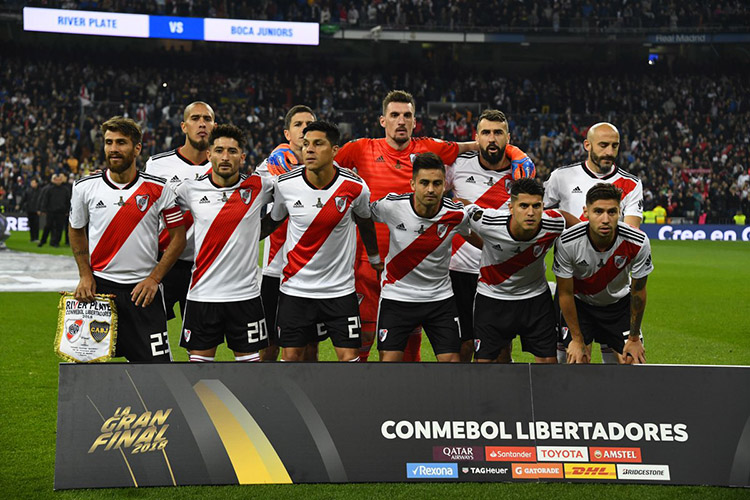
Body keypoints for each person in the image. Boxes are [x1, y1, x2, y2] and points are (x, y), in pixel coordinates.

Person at [335, 90, 478, 361]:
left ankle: (409, 387)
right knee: (364, 335)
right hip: (368, 261)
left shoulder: (429, 148)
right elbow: (321, 166)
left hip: (413, 267)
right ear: (382, 120)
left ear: (415, 121)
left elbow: (473, 146)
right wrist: (283, 152)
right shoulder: (361, 148)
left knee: (410, 339)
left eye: (407, 115)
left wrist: (513, 151)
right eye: (394, 115)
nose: (401, 121)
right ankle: (361, 385)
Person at [69, 116, 186, 362]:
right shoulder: (84, 187)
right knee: (89, 370)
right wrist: (85, 275)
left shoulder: (159, 188)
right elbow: (76, 229)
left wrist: (154, 278)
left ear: (137, 148)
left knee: (157, 371)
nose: (113, 148)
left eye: (121, 142)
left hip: (144, 291)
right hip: (100, 291)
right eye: (108, 142)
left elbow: (178, 238)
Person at [261, 121, 380, 362]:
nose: (309, 150)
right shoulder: (285, 185)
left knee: (350, 359)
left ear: (334, 150)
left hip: (339, 290)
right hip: (295, 289)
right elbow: (272, 222)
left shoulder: (355, 187)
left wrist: (375, 258)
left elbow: (365, 222)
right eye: (306, 144)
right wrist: (235, 239)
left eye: (318, 144)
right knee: (291, 357)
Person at [543, 122, 644, 363]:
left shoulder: (631, 183)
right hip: (574, 284)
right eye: (603, 145)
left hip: (614, 286)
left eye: (614, 146)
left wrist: (579, 228)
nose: (609, 151)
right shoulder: (561, 177)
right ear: (587, 145)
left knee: (629, 361)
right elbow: (541, 216)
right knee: (573, 360)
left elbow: (630, 232)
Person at [175, 124, 273, 362]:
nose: (225, 157)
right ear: (209, 155)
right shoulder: (190, 189)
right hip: (202, 295)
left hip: (245, 297)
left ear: (243, 157)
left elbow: (295, 192)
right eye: (219, 150)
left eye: (232, 151)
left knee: (250, 373)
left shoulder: (260, 186)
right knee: (199, 373)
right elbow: (156, 204)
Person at [447, 109, 536, 361]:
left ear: (508, 137)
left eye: (498, 133)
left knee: (500, 350)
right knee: (462, 346)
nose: (492, 138)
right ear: (476, 137)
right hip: (460, 269)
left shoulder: (520, 173)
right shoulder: (458, 166)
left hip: (500, 271)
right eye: (486, 132)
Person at [371, 153, 476, 362]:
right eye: (424, 183)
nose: (430, 189)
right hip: (397, 296)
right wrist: (373, 255)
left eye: (437, 183)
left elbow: (475, 237)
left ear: (444, 185)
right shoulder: (391, 205)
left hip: (440, 298)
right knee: (388, 364)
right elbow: (362, 214)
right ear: (413, 184)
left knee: (452, 364)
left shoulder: (456, 214)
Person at [552, 183, 653, 364]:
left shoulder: (638, 242)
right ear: (586, 212)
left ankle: (612, 345)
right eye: (598, 211)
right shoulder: (567, 242)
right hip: (581, 306)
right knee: (577, 361)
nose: (605, 219)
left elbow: (638, 291)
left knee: (634, 362)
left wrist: (634, 338)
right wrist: (577, 339)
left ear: (620, 212)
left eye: (612, 212)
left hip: (618, 306)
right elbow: (565, 293)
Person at [467, 178, 565, 363]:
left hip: (535, 299)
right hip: (492, 298)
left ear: (543, 207)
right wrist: (482, 244)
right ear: (511, 208)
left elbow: (573, 223)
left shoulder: (554, 223)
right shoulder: (488, 221)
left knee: (548, 364)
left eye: (536, 206)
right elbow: (463, 209)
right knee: (486, 366)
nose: (531, 212)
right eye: (523, 206)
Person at [255, 105, 317, 361]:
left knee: (310, 346)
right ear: (287, 134)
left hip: (311, 270)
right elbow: (252, 193)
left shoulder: (326, 167)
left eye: (309, 124)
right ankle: (267, 387)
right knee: (270, 345)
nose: (304, 129)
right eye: (298, 124)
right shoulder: (271, 165)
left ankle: (309, 387)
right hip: (275, 269)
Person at [145, 101, 216, 322]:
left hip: (203, 266)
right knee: (151, 330)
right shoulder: (157, 165)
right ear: (184, 126)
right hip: (162, 261)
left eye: (207, 119)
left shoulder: (224, 167)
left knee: (200, 336)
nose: (202, 124)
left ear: (214, 126)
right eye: (195, 118)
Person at [38, 174, 70, 247]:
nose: (58, 181)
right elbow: (45, 200)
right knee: (48, 226)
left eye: (59, 180)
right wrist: (43, 209)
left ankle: (56, 242)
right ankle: (43, 241)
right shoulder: (49, 189)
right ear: (54, 180)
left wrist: (67, 210)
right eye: (57, 180)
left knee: (59, 228)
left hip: (61, 212)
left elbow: (68, 201)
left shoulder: (65, 190)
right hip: (51, 211)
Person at [22, 178, 42, 242]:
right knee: (31, 224)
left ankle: (36, 238)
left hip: (36, 210)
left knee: (36, 224)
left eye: (33, 183)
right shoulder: (28, 190)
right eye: (31, 183)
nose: (32, 184)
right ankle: (32, 238)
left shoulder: (40, 191)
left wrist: (40, 209)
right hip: (29, 209)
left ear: (37, 183)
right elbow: (24, 198)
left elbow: (41, 201)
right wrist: (19, 205)